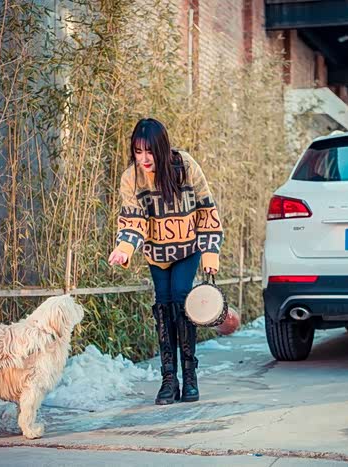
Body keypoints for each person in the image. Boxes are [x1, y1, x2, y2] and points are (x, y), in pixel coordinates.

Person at [108, 118, 224, 405]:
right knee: (163, 307)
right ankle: (169, 379)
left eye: (149, 151)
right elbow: (133, 220)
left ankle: (190, 377)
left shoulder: (185, 166)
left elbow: (206, 208)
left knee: (181, 298)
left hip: (187, 249)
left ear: (162, 147)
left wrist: (210, 252)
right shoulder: (131, 178)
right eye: (138, 152)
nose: (144, 158)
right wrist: (124, 248)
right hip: (157, 254)